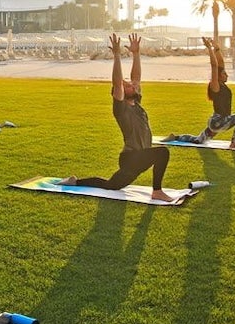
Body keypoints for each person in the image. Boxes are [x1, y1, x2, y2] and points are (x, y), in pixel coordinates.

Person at [62, 34, 174, 202]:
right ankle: (157, 191)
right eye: (127, 86)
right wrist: (116, 55)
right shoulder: (121, 109)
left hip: (139, 157)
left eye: (131, 85)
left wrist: (136, 54)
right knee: (162, 152)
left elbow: (136, 78)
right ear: (120, 92)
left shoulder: (137, 104)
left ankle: (75, 181)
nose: (132, 85)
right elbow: (117, 82)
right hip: (131, 157)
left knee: (112, 185)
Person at [198, 37, 235, 149]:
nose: (227, 75)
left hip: (219, 122)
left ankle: (175, 137)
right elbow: (214, 66)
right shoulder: (215, 86)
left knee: (198, 140)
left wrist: (216, 48)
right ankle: (234, 143)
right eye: (224, 74)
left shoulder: (222, 84)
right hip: (218, 122)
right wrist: (209, 48)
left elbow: (220, 63)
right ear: (219, 76)